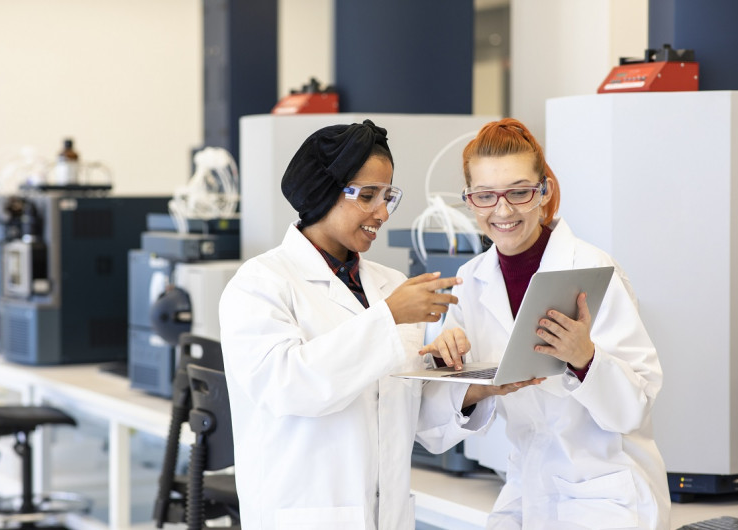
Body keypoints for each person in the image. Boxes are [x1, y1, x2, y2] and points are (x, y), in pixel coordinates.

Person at [218, 120, 537, 530]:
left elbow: (412, 419)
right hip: (303, 516)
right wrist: (389, 316)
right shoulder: (261, 284)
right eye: (368, 196)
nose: (382, 213)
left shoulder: (388, 285)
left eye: (388, 196)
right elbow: (288, 387)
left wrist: (476, 388)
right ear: (322, 191)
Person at [419, 117, 671, 529]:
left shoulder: (592, 269)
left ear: (543, 192)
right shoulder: (470, 283)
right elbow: (432, 431)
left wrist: (585, 358)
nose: (502, 210)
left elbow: (634, 409)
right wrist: (468, 380)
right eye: (485, 196)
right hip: (526, 490)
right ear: (469, 200)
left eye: (519, 192)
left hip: (607, 497)